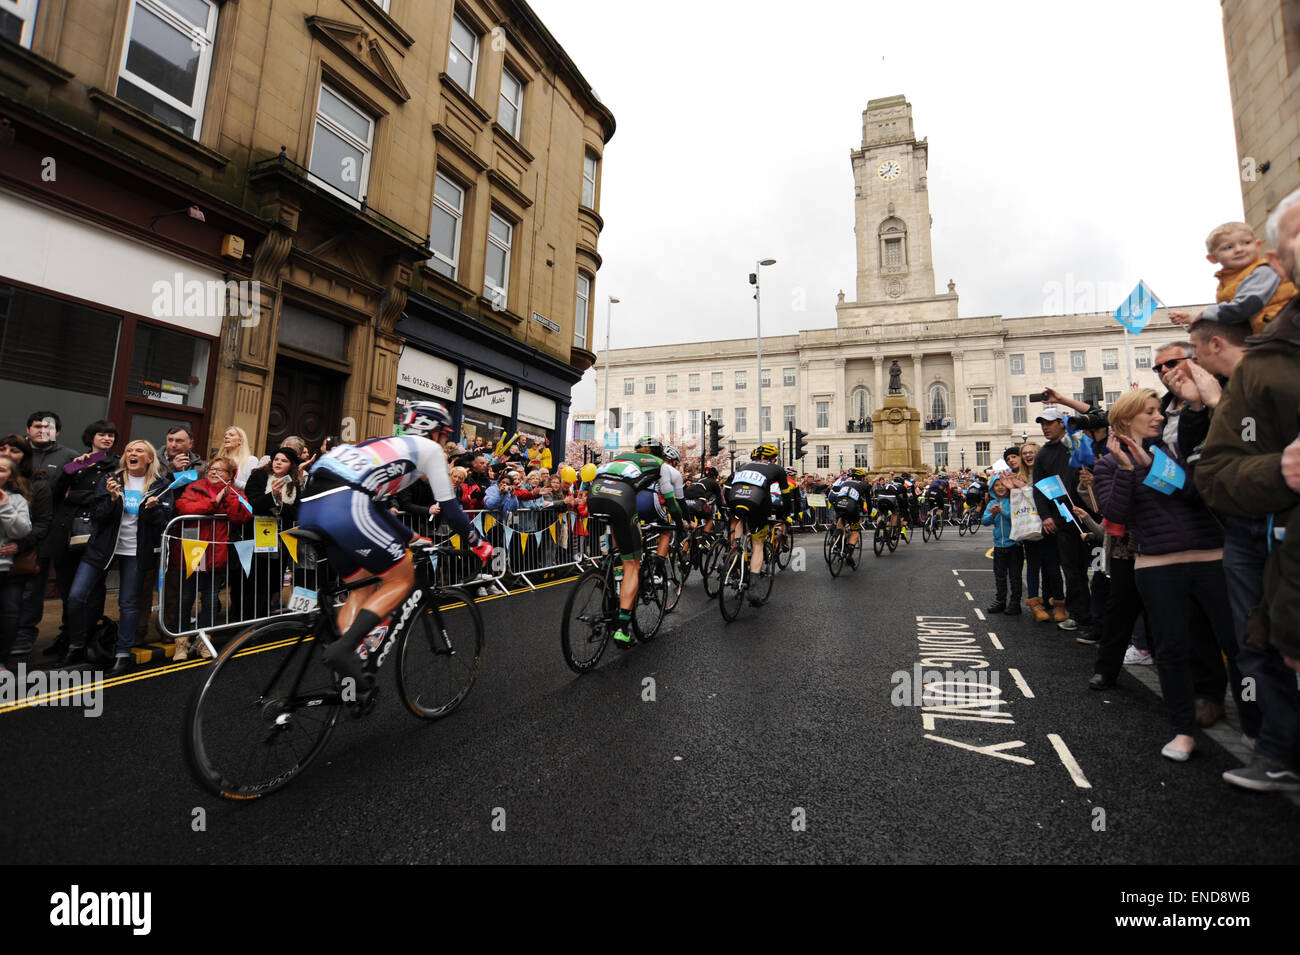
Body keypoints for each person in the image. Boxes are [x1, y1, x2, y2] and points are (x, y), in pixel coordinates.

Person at [1196, 186, 1300, 790]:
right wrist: (1279, 471)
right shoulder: (1266, 359)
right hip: (1265, 536)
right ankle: (1277, 746)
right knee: (1266, 640)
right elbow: (1216, 473)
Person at [298, 402, 492, 692]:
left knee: (361, 587)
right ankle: (346, 648)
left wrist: (410, 536)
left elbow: (375, 506)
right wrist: (478, 543)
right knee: (401, 577)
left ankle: (351, 667)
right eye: (443, 435)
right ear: (434, 432)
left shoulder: (382, 444)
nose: (443, 442)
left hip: (312, 504)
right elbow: (451, 510)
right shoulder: (428, 451)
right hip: (345, 502)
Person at [1094, 389, 1238, 762]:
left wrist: (1150, 465)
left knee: (1238, 647)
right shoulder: (1108, 463)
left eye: (1160, 411)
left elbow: (1196, 493)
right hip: (1157, 565)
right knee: (1171, 650)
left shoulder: (1176, 446)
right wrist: (1128, 470)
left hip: (1210, 557)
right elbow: (1117, 515)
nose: (1160, 417)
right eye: (1151, 412)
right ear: (1127, 420)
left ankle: (1263, 739)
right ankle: (1183, 731)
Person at [61, 440, 172, 675]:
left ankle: (122, 654)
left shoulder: (161, 485)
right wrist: (111, 500)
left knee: (128, 604)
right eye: (130, 450)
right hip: (102, 547)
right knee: (76, 596)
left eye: (139, 451)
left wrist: (153, 510)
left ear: (150, 458)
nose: (133, 453)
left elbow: (164, 522)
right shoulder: (111, 480)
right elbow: (98, 516)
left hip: (135, 551)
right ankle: (76, 644)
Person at [586, 436, 684, 645]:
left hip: (594, 495)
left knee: (617, 533)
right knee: (633, 563)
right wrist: (679, 522)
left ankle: (611, 568)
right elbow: (670, 500)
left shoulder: (622, 457)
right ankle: (622, 628)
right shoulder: (661, 466)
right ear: (660, 454)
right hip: (621, 499)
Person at [171, 456, 252, 657]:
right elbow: (185, 507)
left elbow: (242, 516)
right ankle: (181, 641)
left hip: (216, 551)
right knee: (186, 596)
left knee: (210, 598)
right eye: (211, 469)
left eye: (220, 470)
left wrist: (228, 495)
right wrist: (214, 501)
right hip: (193, 549)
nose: (214, 472)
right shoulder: (195, 487)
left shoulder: (236, 493)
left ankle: (204, 640)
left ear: (230, 475)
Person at [1169, 220, 1297, 334]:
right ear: (1212, 258)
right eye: (1228, 247)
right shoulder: (1228, 281)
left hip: (1289, 331)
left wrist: (1204, 313)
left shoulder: (1264, 270)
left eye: (1246, 243)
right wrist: (1193, 318)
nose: (1239, 249)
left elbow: (1243, 308)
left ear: (1258, 246)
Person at [1030, 402, 1091, 631]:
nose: (1045, 428)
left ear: (1061, 424)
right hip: (1063, 518)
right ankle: (1079, 615)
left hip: (1089, 516)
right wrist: (1046, 516)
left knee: (1099, 568)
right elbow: (1038, 488)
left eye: (1049, 423)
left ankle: (1100, 615)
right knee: (1072, 569)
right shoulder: (1044, 454)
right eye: (1042, 424)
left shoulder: (1077, 445)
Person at [0, 455, 33, 672]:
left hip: (5, 567)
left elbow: (22, 530)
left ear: (10, 476)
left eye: (2, 470)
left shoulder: (16, 500)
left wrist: (4, 506)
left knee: (9, 616)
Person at [981, 475, 1021, 615]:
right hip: (999, 545)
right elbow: (984, 521)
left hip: (1015, 545)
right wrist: (992, 515)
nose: (1000, 487)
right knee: (1000, 575)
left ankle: (1015, 603)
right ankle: (1000, 601)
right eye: (996, 485)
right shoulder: (991, 503)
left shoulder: (1014, 501)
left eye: (1002, 484)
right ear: (992, 489)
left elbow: (1016, 517)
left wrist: (1002, 512)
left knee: (1015, 576)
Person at [829, 467, 872, 568]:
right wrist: (869, 514)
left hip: (838, 504)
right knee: (855, 530)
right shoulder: (865, 485)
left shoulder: (844, 483)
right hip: (851, 506)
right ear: (862, 478)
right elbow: (867, 502)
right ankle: (849, 552)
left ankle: (837, 541)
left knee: (841, 518)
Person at [215, 426, 259, 490]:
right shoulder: (217, 460)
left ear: (240, 441)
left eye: (231, 435)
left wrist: (233, 481)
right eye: (225, 436)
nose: (226, 437)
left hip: (239, 498)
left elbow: (253, 487)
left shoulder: (251, 460)